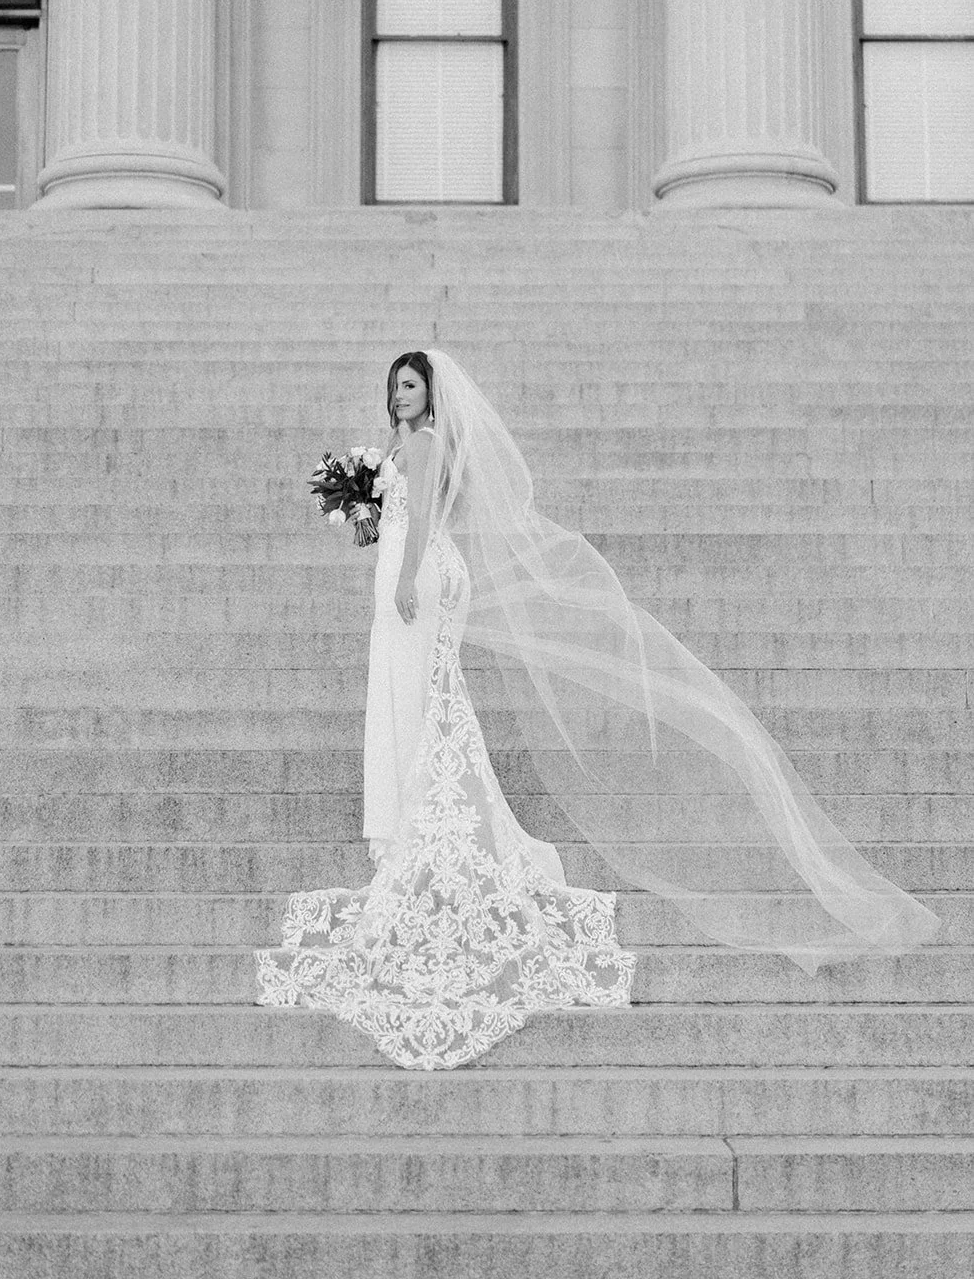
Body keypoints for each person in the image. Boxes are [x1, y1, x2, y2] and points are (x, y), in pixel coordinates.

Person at [255, 348, 939, 1070]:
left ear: (431, 395)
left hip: (418, 579)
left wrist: (402, 576)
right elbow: (394, 516)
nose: (399, 396)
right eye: (394, 386)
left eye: (411, 385)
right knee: (419, 696)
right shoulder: (400, 446)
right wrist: (365, 513)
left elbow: (422, 515)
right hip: (410, 571)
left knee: (425, 697)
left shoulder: (423, 445)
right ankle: (417, 808)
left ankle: (424, 814)